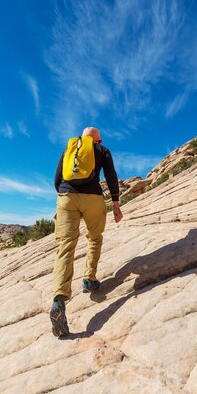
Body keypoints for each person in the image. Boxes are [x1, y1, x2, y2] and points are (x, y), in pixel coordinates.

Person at [50, 126, 123, 337]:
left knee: (65, 247)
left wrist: (67, 196)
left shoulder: (69, 149)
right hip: (93, 198)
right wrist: (116, 205)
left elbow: (57, 179)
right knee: (94, 237)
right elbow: (110, 175)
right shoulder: (102, 150)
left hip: (66, 197)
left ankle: (59, 300)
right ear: (97, 141)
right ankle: (89, 279)